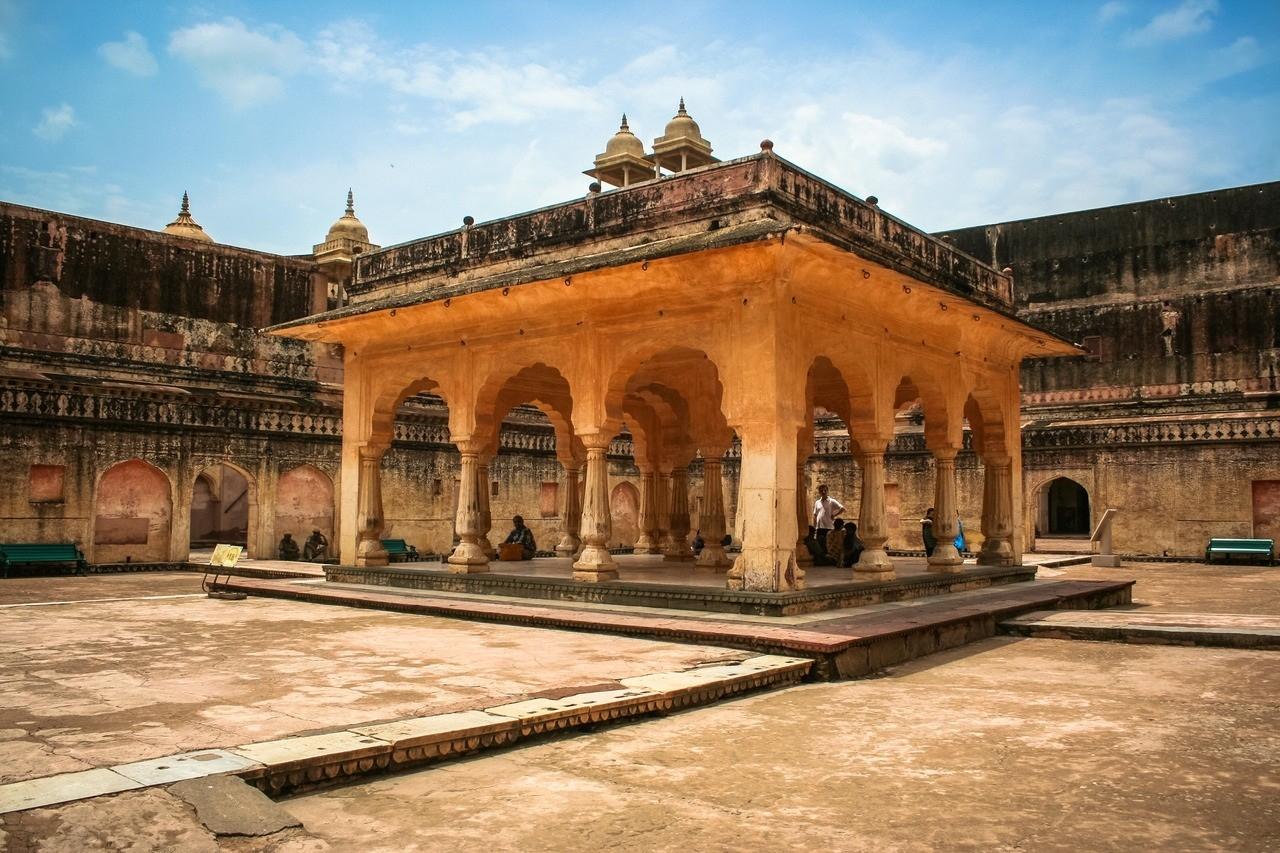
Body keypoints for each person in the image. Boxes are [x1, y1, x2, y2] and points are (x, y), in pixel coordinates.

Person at [812, 484, 845, 551]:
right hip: (819, 528)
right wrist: (814, 527)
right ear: (819, 492)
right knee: (820, 546)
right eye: (821, 490)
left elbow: (842, 509)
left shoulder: (832, 501)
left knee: (828, 546)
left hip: (828, 527)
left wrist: (834, 515)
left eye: (825, 490)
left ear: (827, 491)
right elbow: (815, 515)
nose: (823, 492)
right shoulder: (817, 502)